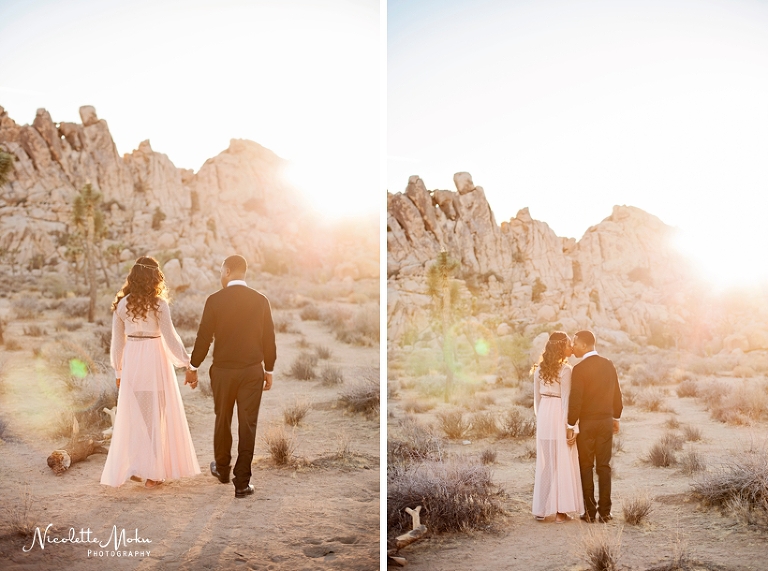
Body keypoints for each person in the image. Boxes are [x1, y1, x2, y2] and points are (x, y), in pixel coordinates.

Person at [101, 256, 201, 488]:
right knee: (157, 417)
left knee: (138, 418)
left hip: (133, 364)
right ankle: (153, 475)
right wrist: (186, 363)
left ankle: (139, 466)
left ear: (133, 277)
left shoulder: (122, 305)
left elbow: (117, 343)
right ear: (155, 278)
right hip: (154, 362)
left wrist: (118, 371)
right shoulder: (159, 304)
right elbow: (170, 338)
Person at [185, 255, 276, 499]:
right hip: (251, 371)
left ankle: (223, 470)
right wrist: (269, 370)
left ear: (226, 271)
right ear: (243, 273)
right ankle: (242, 483)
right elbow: (269, 339)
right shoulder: (261, 300)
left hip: (223, 372)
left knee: (222, 418)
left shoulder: (214, 300)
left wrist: (193, 366)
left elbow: (204, 337)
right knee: (248, 425)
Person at [567, 330, 623, 523]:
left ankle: (590, 512)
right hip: (606, 422)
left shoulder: (579, 369)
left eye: (575, 343)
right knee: (604, 466)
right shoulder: (608, 365)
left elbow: (576, 400)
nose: (573, 346)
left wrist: (570, 423)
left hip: (588, 424)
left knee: (586, 466)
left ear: (584, 345)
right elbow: (617, 393)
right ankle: (605, 513)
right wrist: (616, 417)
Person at [531, 331, 584, 522]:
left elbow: (536, 401)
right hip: (557, 416)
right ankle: (559, 511)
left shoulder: (538, 370)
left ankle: (542, 508)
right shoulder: (566, 370)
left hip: (544, 415)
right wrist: (572, 426)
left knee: (549, 463)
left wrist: (542, 419)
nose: (571, 347)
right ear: (562, 347)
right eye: (569, 344)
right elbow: (566, 401)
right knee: (560, 462)